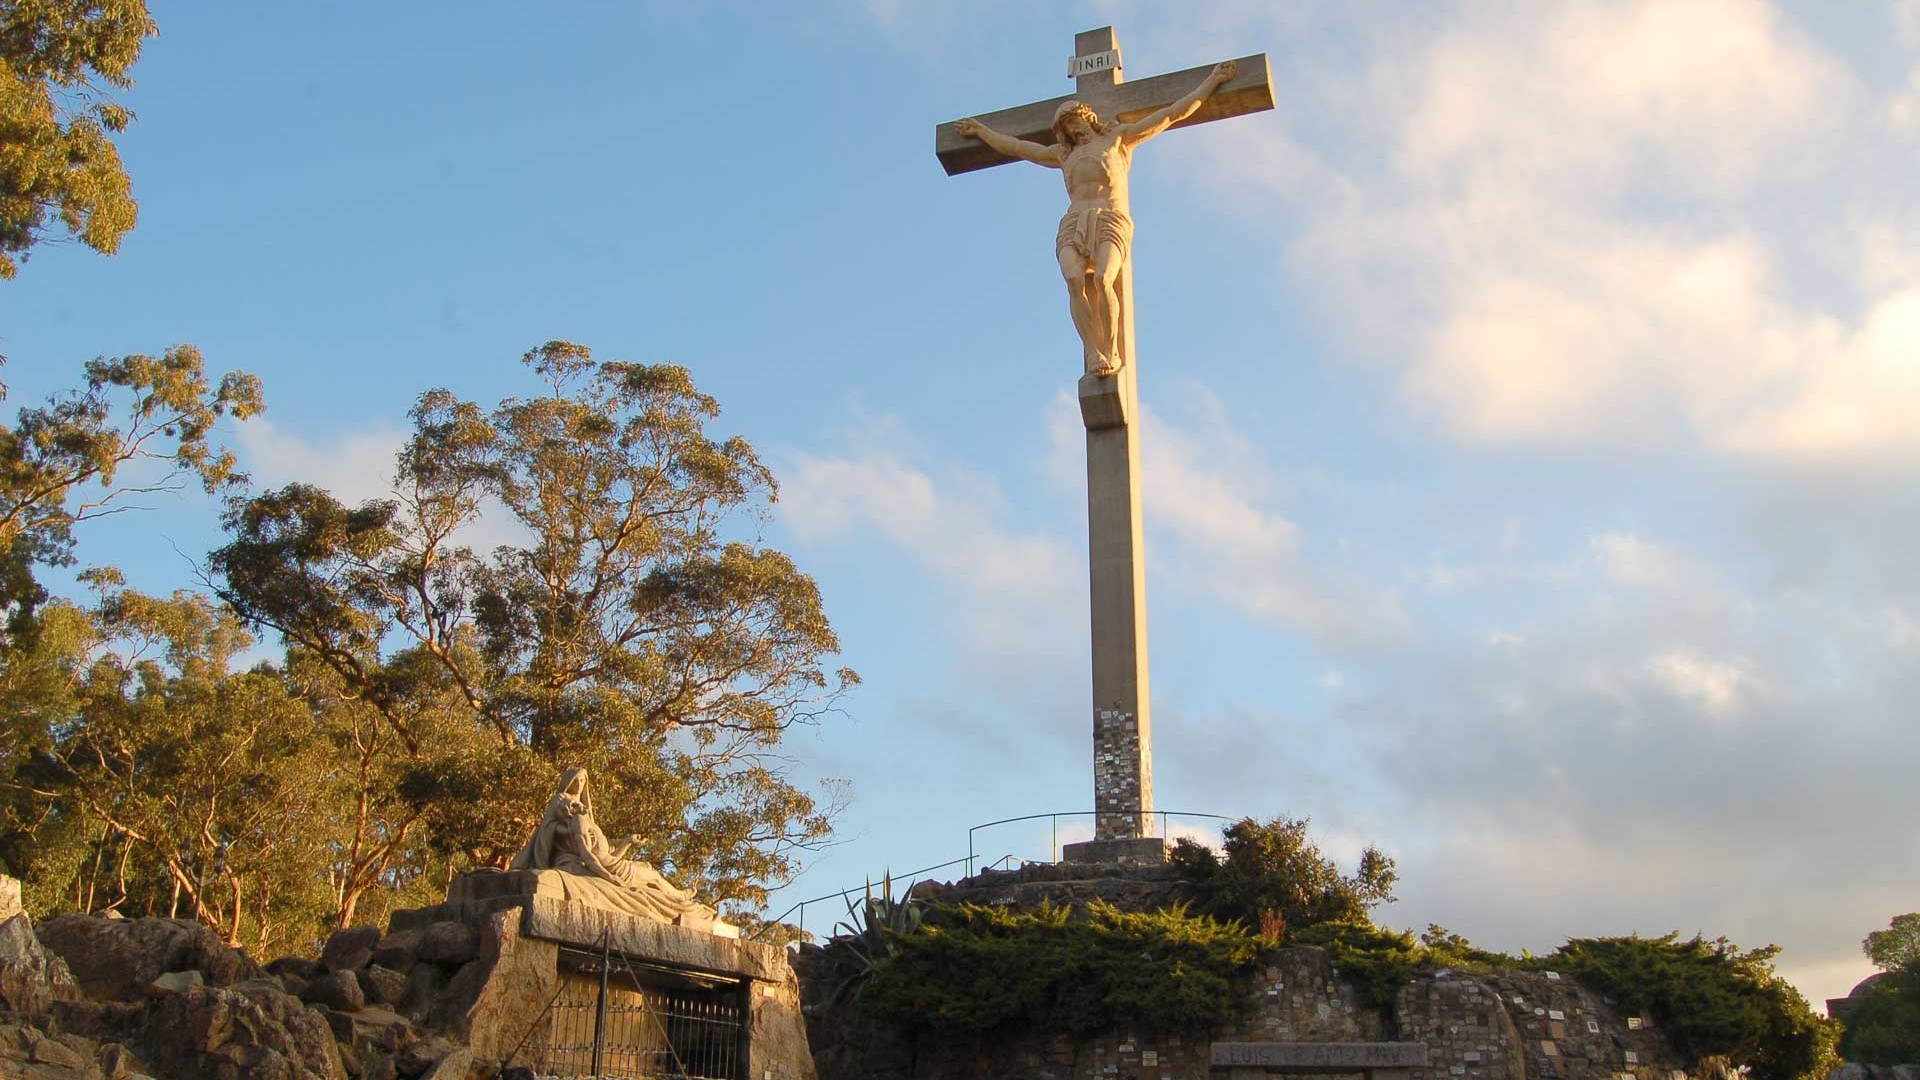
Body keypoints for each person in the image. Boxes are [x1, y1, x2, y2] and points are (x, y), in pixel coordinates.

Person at [955, 60, 1237, 376]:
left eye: (1075, 120)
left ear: (1087, 118)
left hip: (1109, 220)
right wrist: (982, 131)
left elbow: (1172, 113)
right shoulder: (1063, 155)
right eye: (1066, 127)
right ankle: (1094, 350)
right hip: (1074, 222)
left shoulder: (1117, 139)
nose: (1072, 129)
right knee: (1075, 279)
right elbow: (1018, 147)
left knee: (1104, 279)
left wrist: (1211, 82)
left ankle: (1111, 350)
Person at [510, 766, 701, 924]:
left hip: (611, 863)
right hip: (607, 867)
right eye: (577, 779)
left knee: (649, 873)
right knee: (649, 873)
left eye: (583, 781)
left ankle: (679, 898)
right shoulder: (569, 811)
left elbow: (602, 852)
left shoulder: (585, 822)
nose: (579, 784)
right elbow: (587, 855)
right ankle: (680, 898)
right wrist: (610, 877)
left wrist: (626, 842)